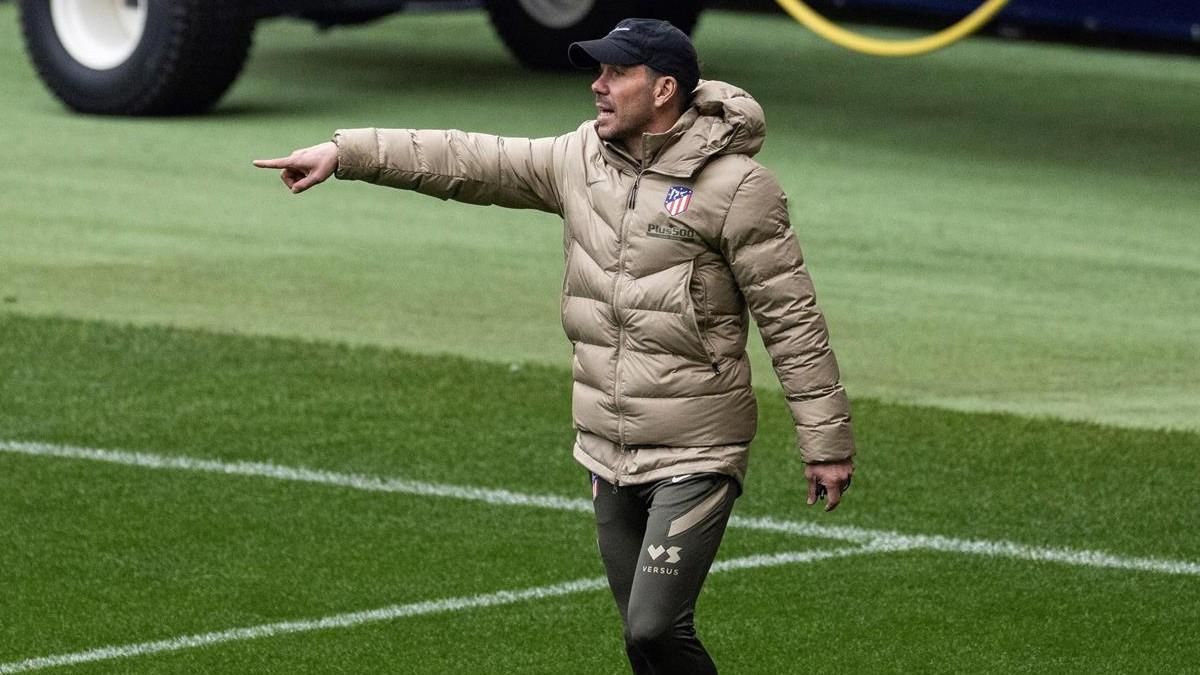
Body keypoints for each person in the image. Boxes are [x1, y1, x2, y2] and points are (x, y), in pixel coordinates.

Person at [254, 17, 855, 674]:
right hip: (604, 443)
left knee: (656, 628)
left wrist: (826, 445)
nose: (597, 85)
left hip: (696, 445)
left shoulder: (738, 187)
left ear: (663, 90)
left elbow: (791, 321)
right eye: (596, 71)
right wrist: (347, 154)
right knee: (638, 639)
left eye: (614, 72)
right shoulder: (579, 161)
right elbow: (467, 159)